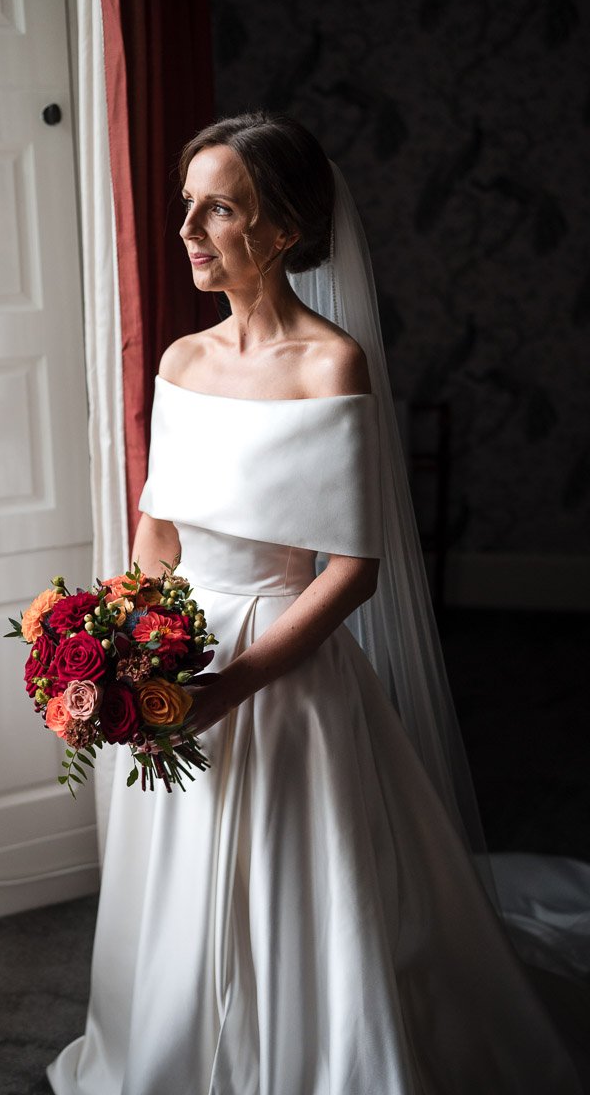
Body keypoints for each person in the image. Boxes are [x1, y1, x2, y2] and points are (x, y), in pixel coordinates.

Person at [48, 112, 582, 1094]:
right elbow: (159, 536)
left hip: (281, 668)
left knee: (297, 893)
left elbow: (350, 570)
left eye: (218, 209)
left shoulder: (331, 366)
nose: (188, 230)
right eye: (185, 207)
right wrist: (117, 647)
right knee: (176, 881)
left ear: (282, 227)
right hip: (176, 658)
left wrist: (231, 686)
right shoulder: (179, 361)